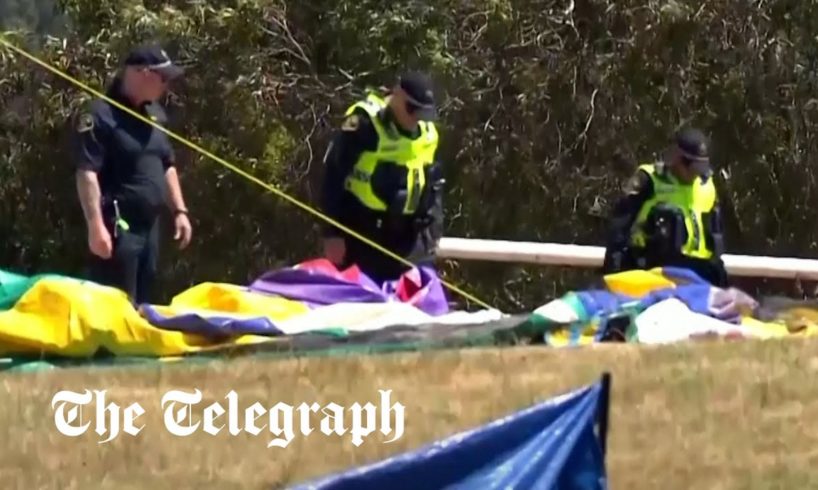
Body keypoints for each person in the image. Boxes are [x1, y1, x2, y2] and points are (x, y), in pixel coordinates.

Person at [72, 44, 192, 304]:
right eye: (163, 77)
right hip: (118, 227)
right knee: (115, 305)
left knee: (144, 303)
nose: (166, 85)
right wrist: (96, 227)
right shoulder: (100, 115)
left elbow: (166, 164)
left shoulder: (155, 115)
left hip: (150, 227)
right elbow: (87, 173)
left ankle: (138, 347)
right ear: (142, 73)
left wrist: (180, 211)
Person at [319, 72, 445, 284]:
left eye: (423, 113)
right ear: (396, 94)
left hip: (411, 237)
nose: (416, 118)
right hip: (365, 234)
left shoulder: (427, 134)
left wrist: (432, 235)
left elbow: (433, 186)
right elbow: (333, 175)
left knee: (421, 304)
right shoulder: (365, 124)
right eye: (412, 109)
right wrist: (332, 233)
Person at [602, 127, 729, 287]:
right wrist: (614, 273)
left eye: (700, 167)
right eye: (691, 166)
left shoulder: (707, 185)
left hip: (702, 274)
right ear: (677, 158)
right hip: (657, 272)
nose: (695, 174)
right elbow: (618, 231)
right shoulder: (649, 180)